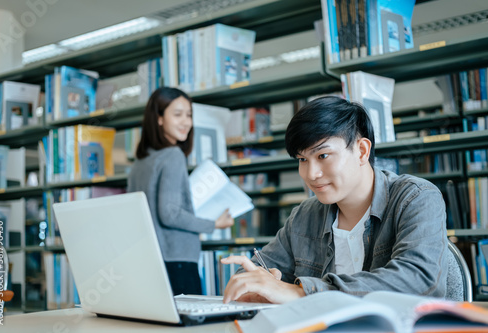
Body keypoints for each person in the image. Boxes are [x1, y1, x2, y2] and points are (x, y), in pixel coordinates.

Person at [221, 95, 449, 304]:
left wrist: (300, 292)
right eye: (302, 159)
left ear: (361, 151)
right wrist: (259, 285)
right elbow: (253, 272)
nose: (311, 174)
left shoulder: (416, 198)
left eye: (323, 156)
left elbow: (421, 280)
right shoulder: (304, 216)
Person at [127, 87, 234, 295]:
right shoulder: (173, 156)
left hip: (150, 258)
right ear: (159, 118)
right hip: (177, 260)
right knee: (191, 326)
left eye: (189, 115)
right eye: (177, 114)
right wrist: (214, 224)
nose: (186, 122)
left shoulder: (140, 163)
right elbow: (170, 213)